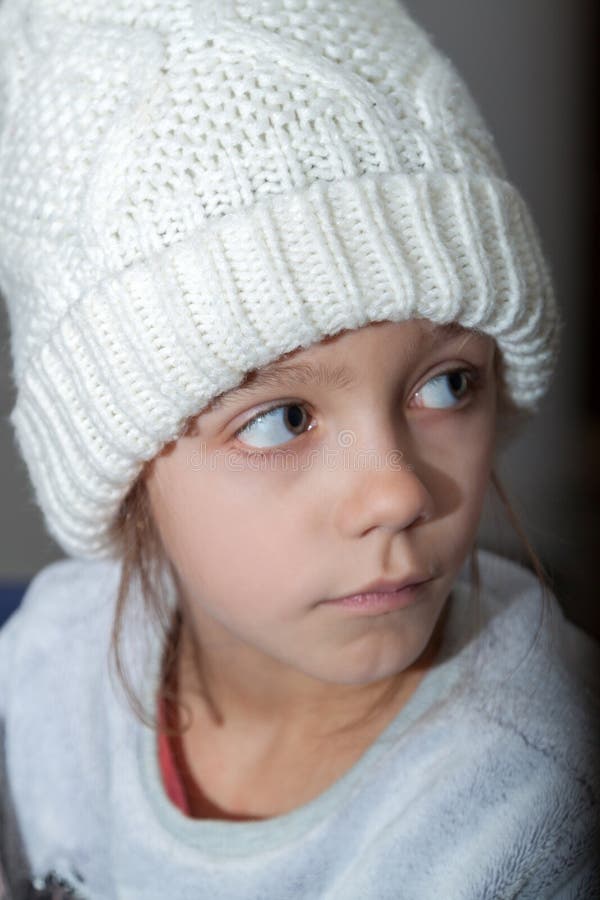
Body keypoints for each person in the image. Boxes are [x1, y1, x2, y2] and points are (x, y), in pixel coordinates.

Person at [0, 0, 598, 897]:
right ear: (126, 475)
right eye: (282, 419)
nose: (396, 494)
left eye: (447, 384)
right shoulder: (50, 662)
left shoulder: (527, 794)